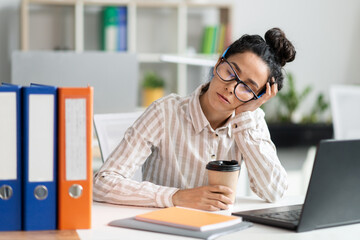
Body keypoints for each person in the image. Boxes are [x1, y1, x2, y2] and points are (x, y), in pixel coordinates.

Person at [93, 27, 296, 211]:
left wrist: (245, 118)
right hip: (162, 229)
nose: (231, 88)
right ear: (219, 62)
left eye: (247, 87)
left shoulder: (250, 123)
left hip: (218, 230)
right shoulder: (165, 112)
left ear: (258, 97)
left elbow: (275, 192)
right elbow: (102, 183)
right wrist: (176, 196)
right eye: (231, 72)